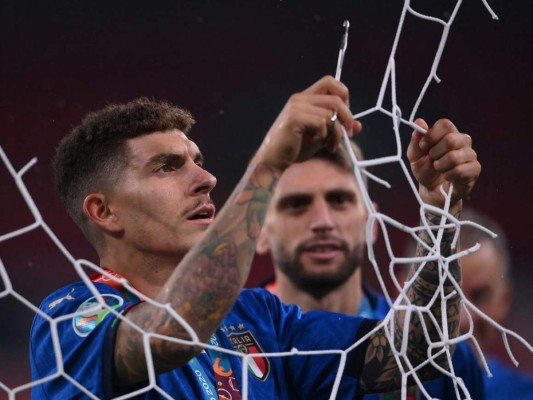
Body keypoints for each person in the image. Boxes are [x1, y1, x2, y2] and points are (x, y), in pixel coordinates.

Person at [29, 76, 480, 399]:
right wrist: (268, 164)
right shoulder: (67, 320)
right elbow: (172, 332)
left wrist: (440, 210)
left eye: (198, 161)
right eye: (166, 167)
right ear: (104, 212)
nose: (206, 179)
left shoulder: (259, 316)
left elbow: (414, 350)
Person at [256, 141, 485, 399]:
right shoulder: (233, 340)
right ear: (259, 231)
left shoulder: (443, 352)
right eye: (297, 204)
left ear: (372, 223)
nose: (323, 222)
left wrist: (441, 209)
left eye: (339, 200)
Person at [456, 208, 533, 400]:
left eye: (480, 296)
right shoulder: (382, 389)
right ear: (403, 294)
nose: (463, 319)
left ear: (504, 299)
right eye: (445, 297)